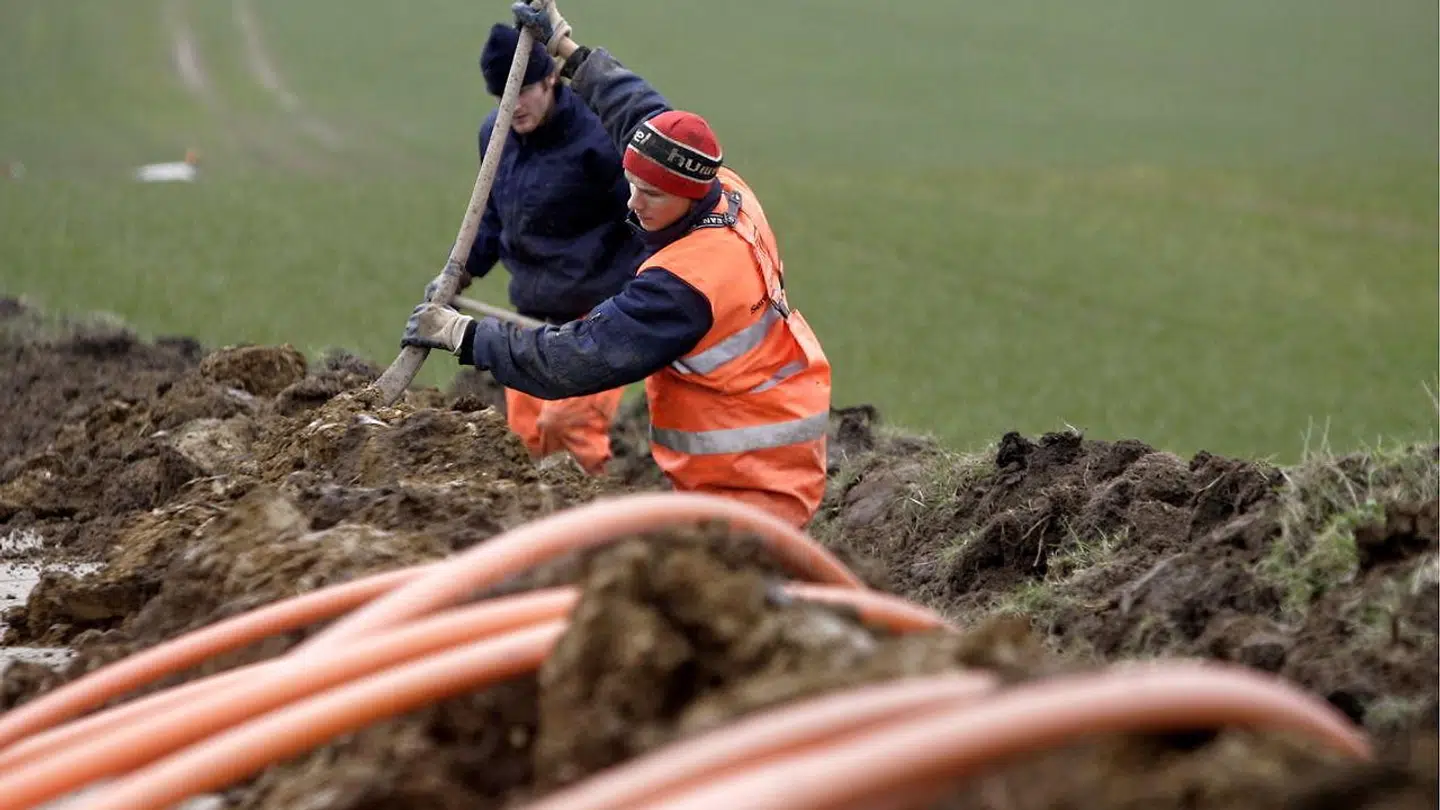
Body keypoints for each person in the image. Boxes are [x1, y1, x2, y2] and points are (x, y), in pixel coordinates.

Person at [403, 7, 832, 528]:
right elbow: (641, 112)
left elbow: (575, 361)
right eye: (631, 184)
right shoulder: (726, 188)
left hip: (751, 476)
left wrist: (463, 336)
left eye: (650, 194)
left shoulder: (681, 285)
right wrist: (567, 46)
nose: (633, 204)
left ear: (685, 193)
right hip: (753, 438)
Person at [427, 22, 648, 476]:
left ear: (550, 78)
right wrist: (460, 273)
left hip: (599, 319)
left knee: (568, 428)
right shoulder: (495, 136)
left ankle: (594, 532)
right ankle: (537, 535)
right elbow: (489, 218)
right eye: (504, 96)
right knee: (525, 445)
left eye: (524, 90)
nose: (515, 106)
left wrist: (650, 291)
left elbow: (644, 216)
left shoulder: (597, 138)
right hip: (530, 319)